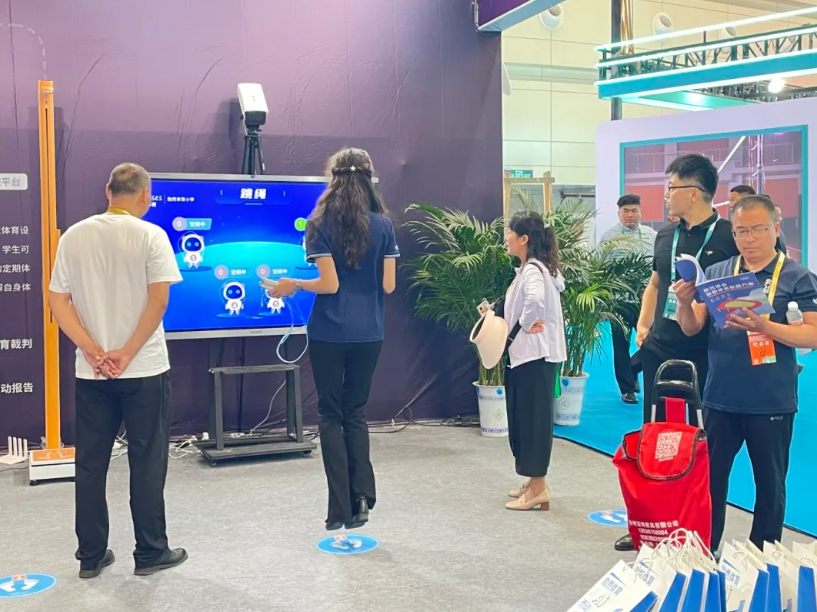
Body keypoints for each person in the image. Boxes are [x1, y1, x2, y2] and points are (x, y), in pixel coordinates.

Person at [48, 163, 187, 578]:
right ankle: (150, 552)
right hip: (144, 369)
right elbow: (159, 302)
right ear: (145, 196)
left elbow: (57, 301)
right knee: (147, 461)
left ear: (108, 191)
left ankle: (91, 556)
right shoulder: (151, 235)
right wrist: (126, 353)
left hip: (92, 373)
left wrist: (91, 350)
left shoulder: (73, 235)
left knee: (90, 464)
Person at [673, 194, 817, 551]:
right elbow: (692, 327)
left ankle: (763, 557)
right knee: (710, 480)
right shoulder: (719, 273)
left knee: (769, 484)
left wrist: (767, 327)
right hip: (721, 395)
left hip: (771, 398)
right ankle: (704, 550)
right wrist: (684, 302)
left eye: (757, 229)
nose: (748, 238)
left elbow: (812, 334)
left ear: (775, 229)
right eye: (740, 231)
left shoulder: (798, 277)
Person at [615, 153, 739, 552]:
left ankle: (700, 530)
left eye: (671, 187)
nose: (666, 195)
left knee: (703, 446)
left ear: (694, 192)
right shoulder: (665, 234)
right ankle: (652, 524)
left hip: (707, 354)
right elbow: (656, 283)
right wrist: (643, 324)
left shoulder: (729, 235)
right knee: (655, 439)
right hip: (659, 349)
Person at [271, 147, 398, 531]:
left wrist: (293, 284)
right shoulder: (384, 225)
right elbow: (388, 286)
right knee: (355, 413)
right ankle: (362, 499)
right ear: (369, 178)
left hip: (328, 332)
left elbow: (329, 284)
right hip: (369, 333)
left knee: (330, 415)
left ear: (333, 178)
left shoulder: (319, 223)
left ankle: (338, 509)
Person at [502, 211, 567, 511]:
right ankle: (534, 481)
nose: (507, 238)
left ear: (524, 238)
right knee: (529, 418)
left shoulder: (532, 270)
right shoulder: (537, 267)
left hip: (534, 356)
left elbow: (535, 299)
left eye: (510, 232)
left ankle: (539, 488)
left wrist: (525, 324)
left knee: (533, 421)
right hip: (533, 356)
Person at [599, 194, 657, 405]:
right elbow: (600, 270)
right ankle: (627, 389)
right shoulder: (609, 237)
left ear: (641, 212)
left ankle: (633, 368)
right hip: (619, 301)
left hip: (647, 301)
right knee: (621, 346)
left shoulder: (652, 236)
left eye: (634, 210)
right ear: (619, 213)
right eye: (626, 211)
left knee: (653, 343)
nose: (630, 215)